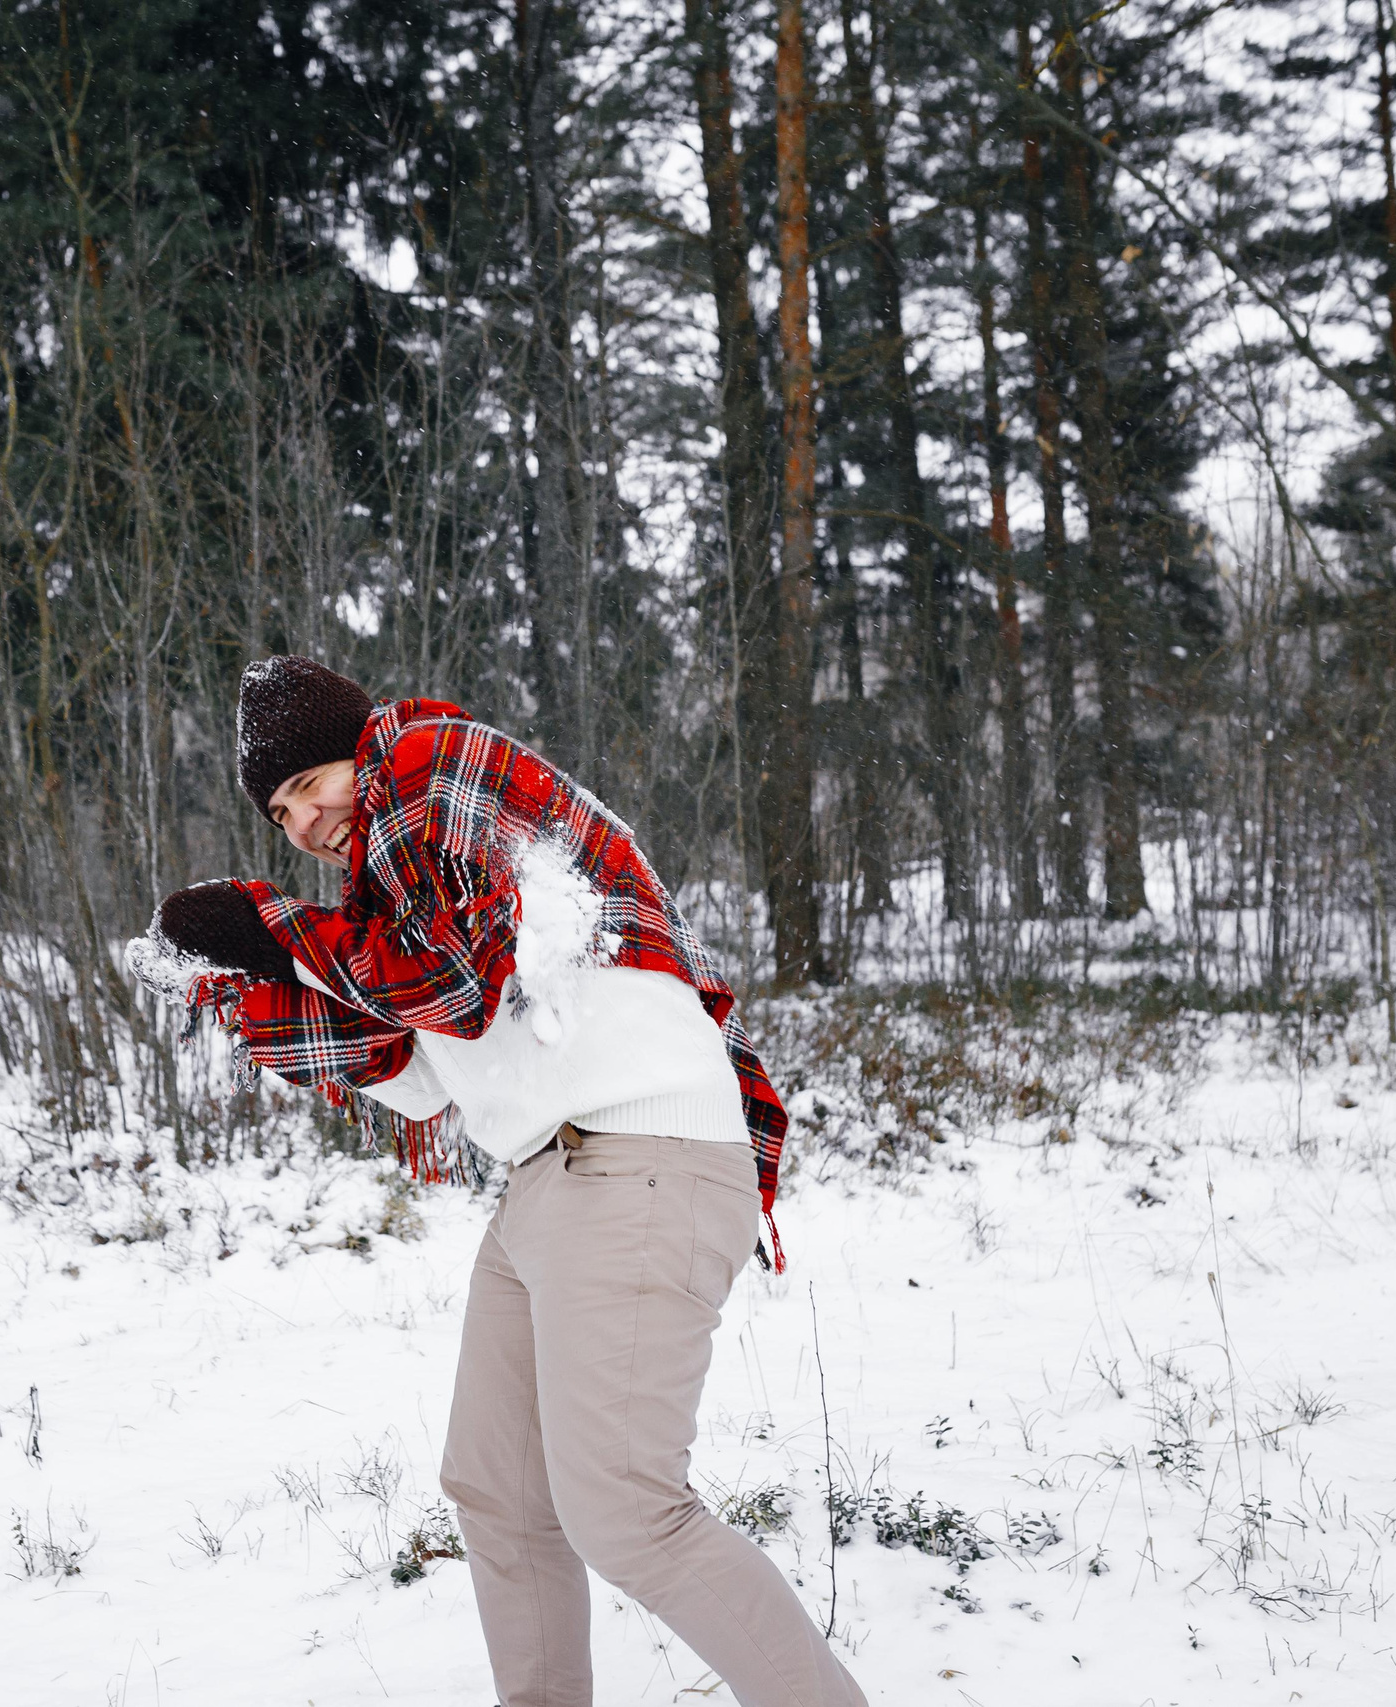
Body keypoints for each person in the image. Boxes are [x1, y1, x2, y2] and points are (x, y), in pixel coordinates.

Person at [129, 656, 867, 1707]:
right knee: (500, 1493)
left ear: (355, 750)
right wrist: (263, 986)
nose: (301, 824)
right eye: (278, 813)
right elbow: (422, 1074)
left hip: (637, 1156)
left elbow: (448, 982)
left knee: (626, 1512)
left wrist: (278, 934)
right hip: (547, 1182)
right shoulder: (399, 894)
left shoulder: (431, 767)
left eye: (308, 785)